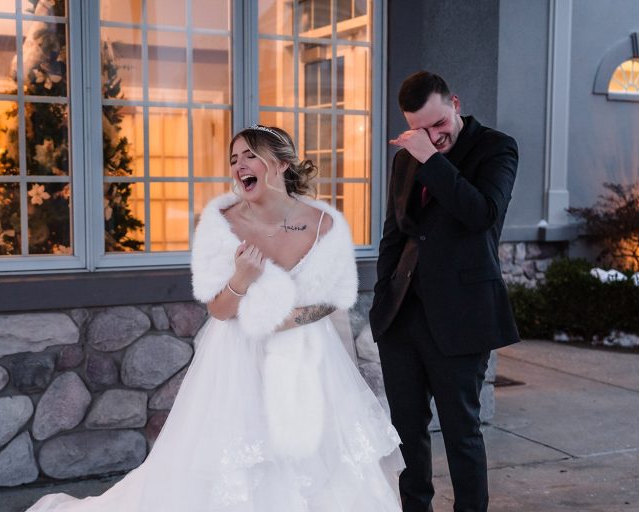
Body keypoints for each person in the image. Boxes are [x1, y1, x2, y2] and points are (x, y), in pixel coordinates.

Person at [26, 125, 403, 512]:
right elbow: (219, 310)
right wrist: (241, 279)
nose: (240, 166)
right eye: (234, 159)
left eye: (250, 156)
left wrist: (290, 319)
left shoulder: (324, 223)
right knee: (241, 466)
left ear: (282, 163)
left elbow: (335, 297)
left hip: (308, 362)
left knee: (322, 466)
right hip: (238, 362)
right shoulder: (220, 222)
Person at [369, 71, 521, 512]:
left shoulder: (496, 147)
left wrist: (432, 163)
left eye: (439, 124)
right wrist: (383, 305)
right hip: (402, 319)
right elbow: (394, 236)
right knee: (407, 436)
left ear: (455, 103)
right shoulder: (406, 158)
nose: (432, 137)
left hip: (462, 316)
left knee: (462, 434)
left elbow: (481, 215)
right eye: (420, 129)